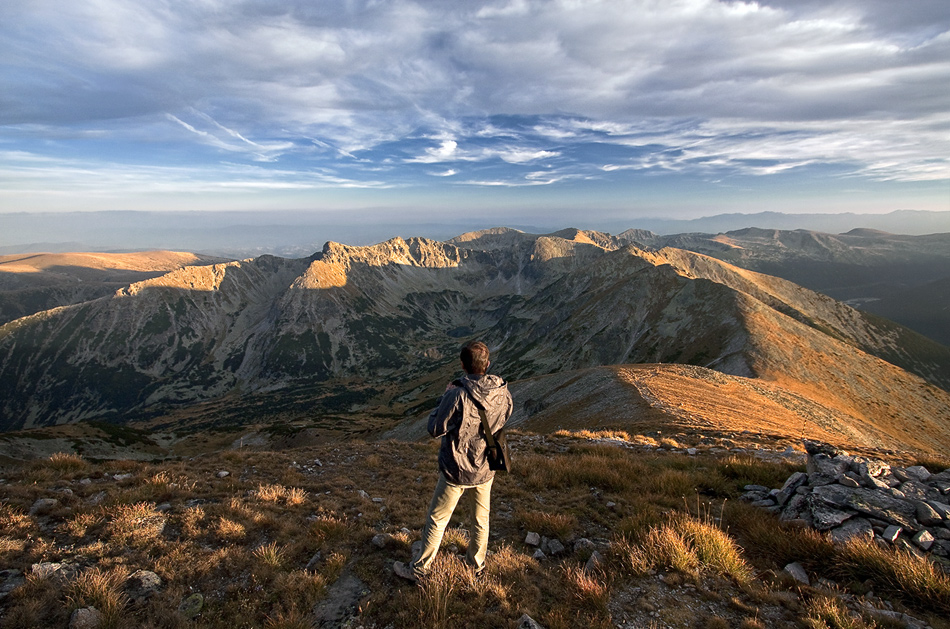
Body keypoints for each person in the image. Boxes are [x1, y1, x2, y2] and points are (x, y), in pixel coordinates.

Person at [394, 341, 513, 582]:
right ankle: (476, 567)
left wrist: (445, 397)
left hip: (456, 469)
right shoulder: (502, 391)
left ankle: (420, 570)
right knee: (480, 520)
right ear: (487, 364)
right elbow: (505, 416)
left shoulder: (457, 393)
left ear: (462, 365)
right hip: (485, 467)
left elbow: (435, 428)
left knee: (437, 519)